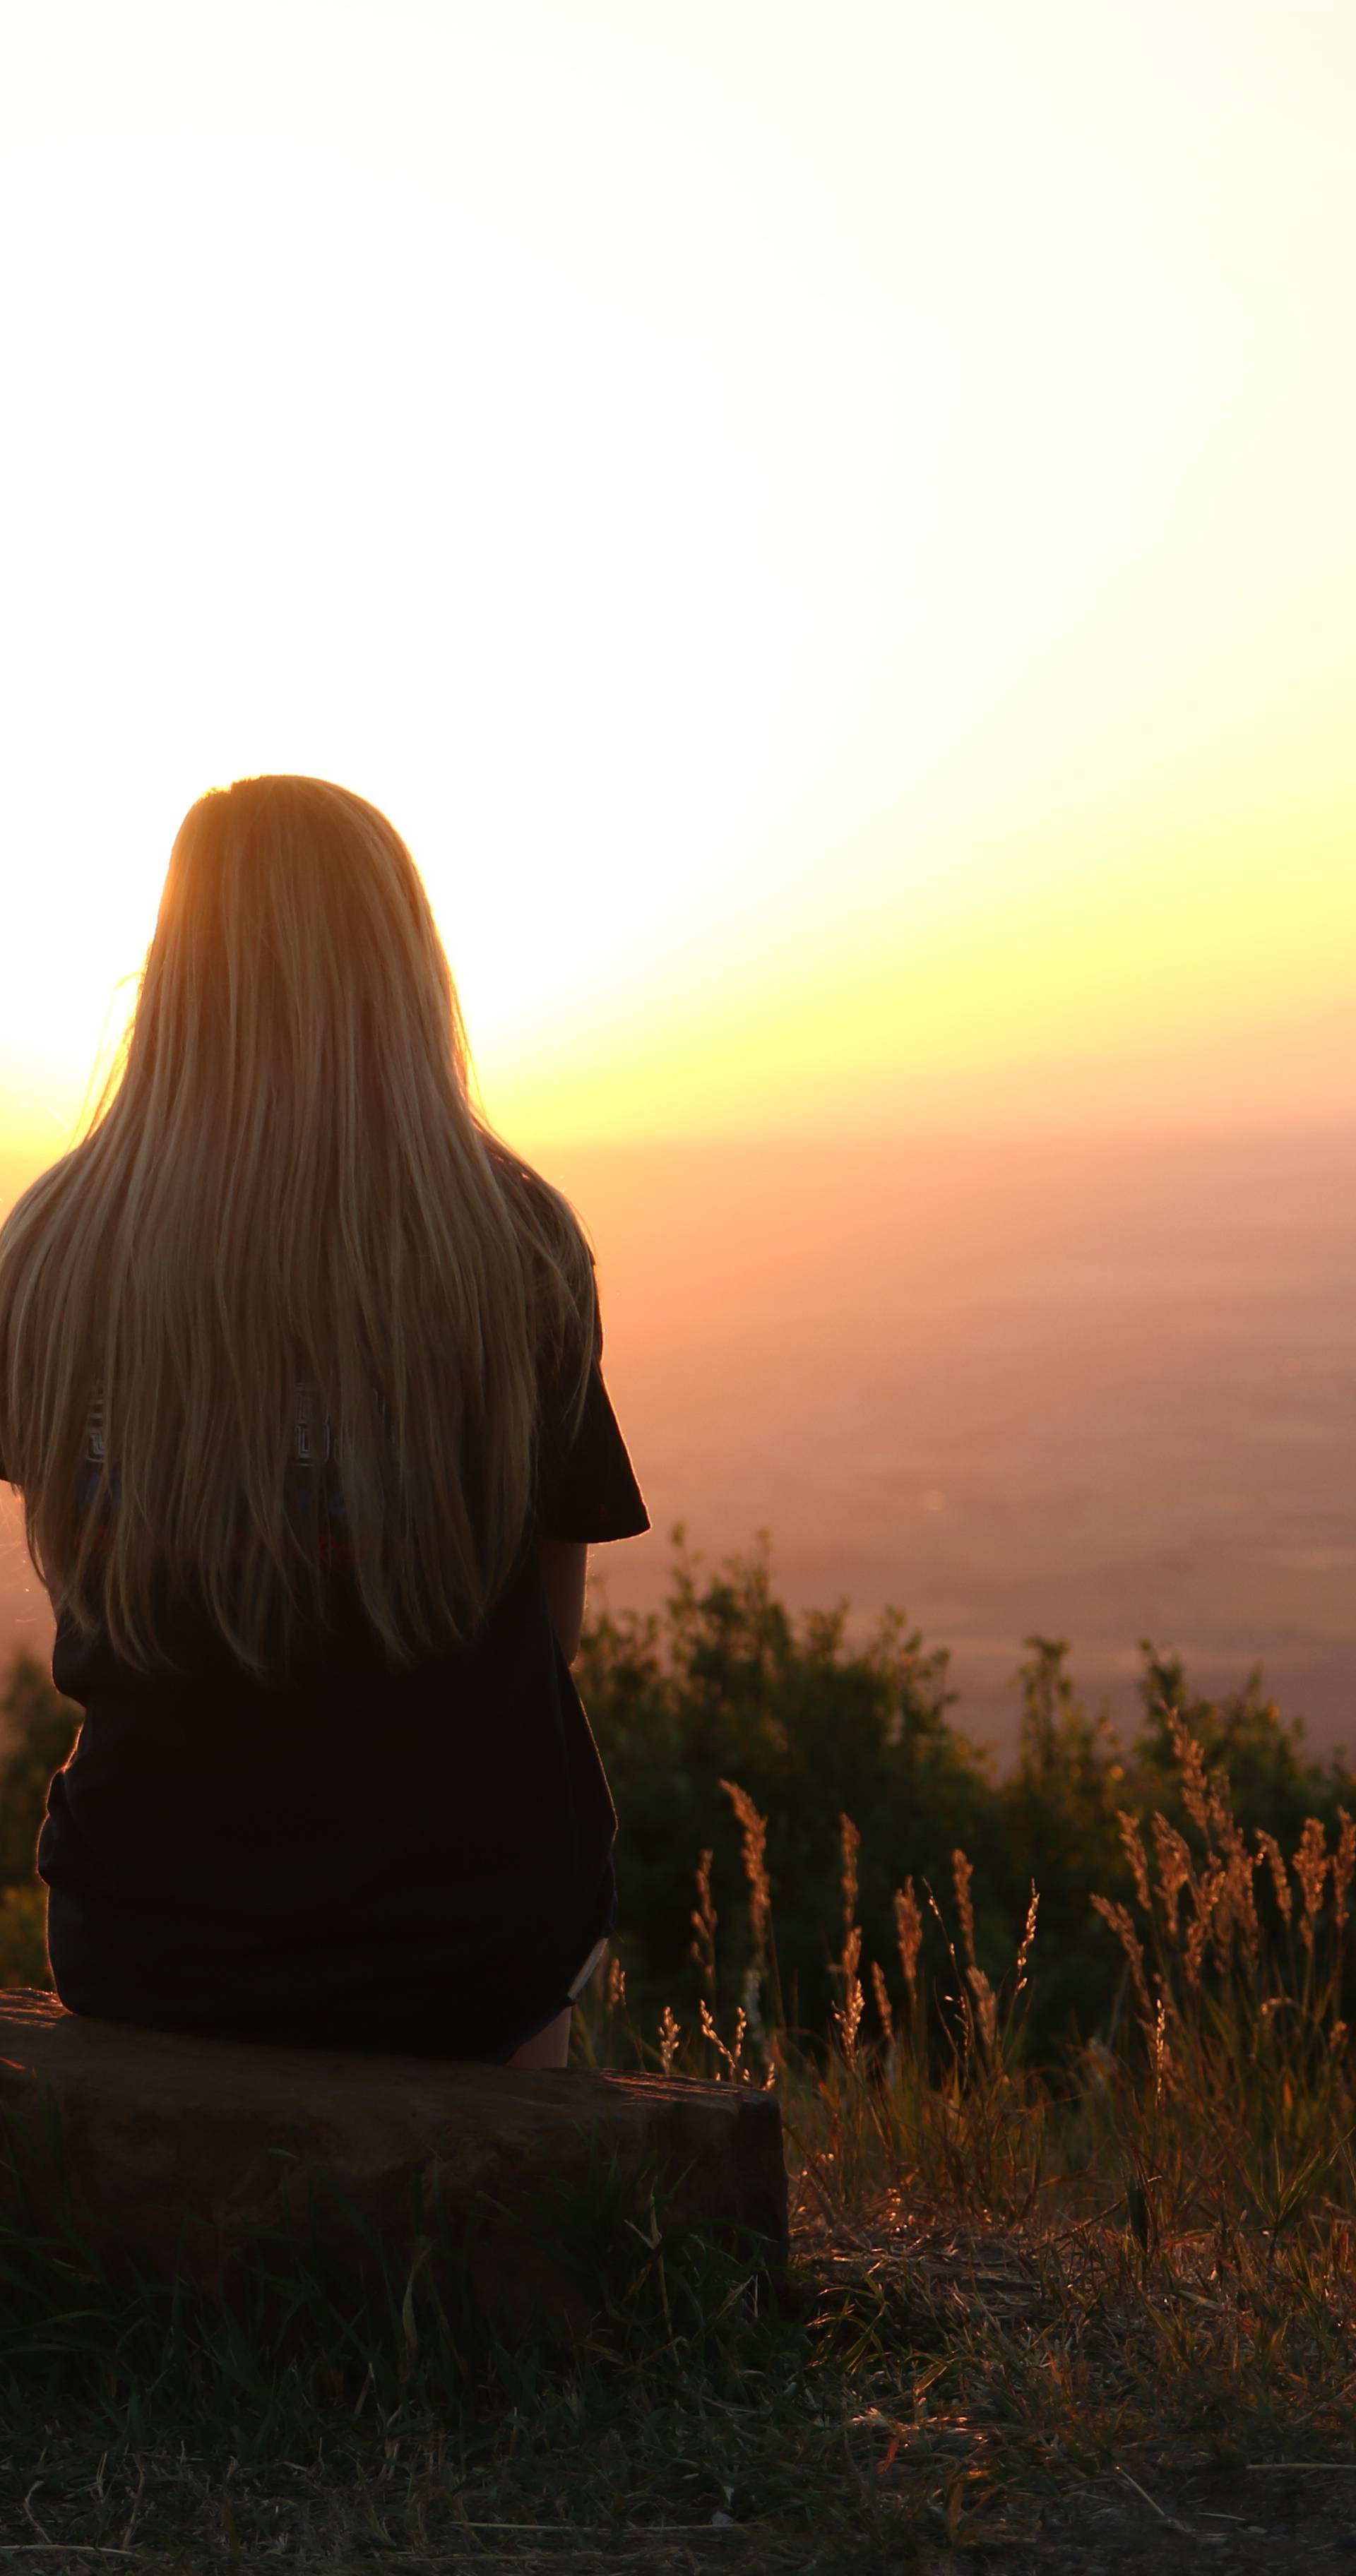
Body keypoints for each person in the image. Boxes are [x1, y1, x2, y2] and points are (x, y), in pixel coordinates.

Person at [0, 775, 648, 2068]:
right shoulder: (518, 1248)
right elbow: (551, 1633)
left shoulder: (51, 1251)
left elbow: (80, 1570)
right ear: (404, 971)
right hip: (464, 1949)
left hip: (145, 1937)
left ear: (174, 964)